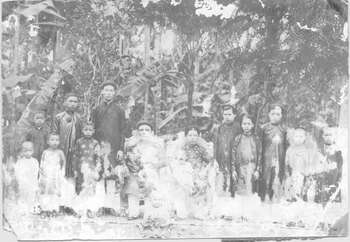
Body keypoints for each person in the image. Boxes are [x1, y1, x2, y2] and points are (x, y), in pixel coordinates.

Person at [124, 120, 167, 220]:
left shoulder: (157, 144)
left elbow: (164, 160)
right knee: (133, 187)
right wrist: (133, 166)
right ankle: (133, 213)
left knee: (150, 187)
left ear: (152, 132)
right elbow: (127, 157)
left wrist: (155, 166)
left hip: (151, 170)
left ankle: (149, 213)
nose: (144, 132)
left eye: (147, 130)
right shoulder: (132, 144)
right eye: (141, 130)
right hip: (135, 169)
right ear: (137, 132)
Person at [92, 82, 126, 168]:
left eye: (111, 91)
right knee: (99, 171)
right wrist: (95, 145)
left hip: (114, 146)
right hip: (100, 145)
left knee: (113, 173)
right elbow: (93, 129)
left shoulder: (119, 110)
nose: (108, 93)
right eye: (106, 90)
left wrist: (121, 149)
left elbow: (123, 130)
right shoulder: (96, 109)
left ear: (114, 93)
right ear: (102, 92)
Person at [259, 104, 288, 202]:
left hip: (280, 158)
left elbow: (286, 146)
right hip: (266, 159)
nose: (275, 116)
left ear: (281, 116)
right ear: (269, 114)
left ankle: (276, 198)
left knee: (278, 177)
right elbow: (259, 146)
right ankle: (265, 197)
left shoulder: (284, 129)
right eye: (273, 114)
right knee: (266, 178)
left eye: (278, 114)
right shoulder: (264, 128)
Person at [213, 105, 241, 197]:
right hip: (222, 159)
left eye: (229, 114)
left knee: (234, 183)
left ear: (234, 115)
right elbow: (216, 144)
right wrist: (215, 159)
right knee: (222, 183)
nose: (227, 117)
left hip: (234, 160)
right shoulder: (219, 128)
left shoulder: (238, 128)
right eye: (225, 114)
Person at [284, 127, 318, 201]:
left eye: (301, 136)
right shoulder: (290, 149)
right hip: (292, 173)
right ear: (293, 137)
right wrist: (287, 174)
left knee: (300, 186)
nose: (298, 138)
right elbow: (286, 162)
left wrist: (307, 173)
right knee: (289, 185)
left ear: (305, 138)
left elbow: (309, 163)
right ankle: (290, 198)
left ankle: (299, 198)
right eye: (296, 136)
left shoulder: (307, 150)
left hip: (302, 173)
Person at [52, 93, 82, 178]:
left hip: (74, 149)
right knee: (59, 170)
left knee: (72, 171)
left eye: (75, 102)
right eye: (70, 101)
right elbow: (54, 133)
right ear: (65, 103)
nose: (73, 104)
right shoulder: (59, 117)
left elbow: (80, 135)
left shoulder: (79, 118)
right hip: (61, 147)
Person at [232, 114, 262, 196]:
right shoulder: (238, 138)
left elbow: (260, 155)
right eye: (244, 124)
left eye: (248, 124)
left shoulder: (256, 139)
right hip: (240, 169)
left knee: (251, 192)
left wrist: (257, 170)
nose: (246, 126)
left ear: (252, 125)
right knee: (241, 193)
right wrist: (233, 170)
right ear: (241, 125)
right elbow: (233, 154)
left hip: (252, 168)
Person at [315, 127, 343, 204]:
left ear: (334, 136)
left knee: (334, 181)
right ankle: (320, 197)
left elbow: (340, 163)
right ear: (323, 136)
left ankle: (334, 197)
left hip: (334, 171)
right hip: (323, 170)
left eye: (330, 135)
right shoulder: (320, 149)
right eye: (326, 135)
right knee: (321, 179)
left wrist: (336, 167)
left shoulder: (337, 150)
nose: (328, 137)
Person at [39, 133, 66, 211]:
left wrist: (62, 172)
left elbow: (63, 162)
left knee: (56, 189)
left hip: (56, 174)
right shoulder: (45, 152)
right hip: (47, 174)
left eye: (57, 140)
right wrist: (42, 172)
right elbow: (42, 163)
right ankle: (46, 208)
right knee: (47, 189)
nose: (55, 142)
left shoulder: (60, 152)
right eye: (52, 140)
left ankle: (55, 208)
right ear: (48, 141)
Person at [73, 121, 101, 195]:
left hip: (91, 167)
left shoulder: (95, 143)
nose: (88, 132)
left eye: (90, 130)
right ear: (82, 130)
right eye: (86, 130)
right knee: (80, 185)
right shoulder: (79, 142)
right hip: (81, 168)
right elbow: (75, 156)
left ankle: (90, 203)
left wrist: (98, 167)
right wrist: (75, 169)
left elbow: (98, 156)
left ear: (93, 131)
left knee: (91, 185)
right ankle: (79, 203)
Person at [14, 141, 40, 211]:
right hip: (23, 183)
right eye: (25, 151)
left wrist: (34, 182)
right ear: (22, 151)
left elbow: (36, 172)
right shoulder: (20, 162)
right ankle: (23, 208)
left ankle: (31, 207)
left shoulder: (35, 161)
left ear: (33, 151)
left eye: (30, 150)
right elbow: (17, 173)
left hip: (32, 182)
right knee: (23, 196)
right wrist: (21, 180)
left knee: (32, 195)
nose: (28, 152)